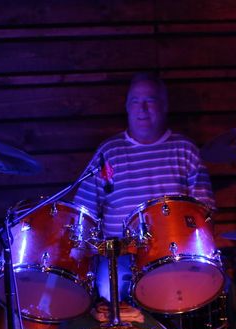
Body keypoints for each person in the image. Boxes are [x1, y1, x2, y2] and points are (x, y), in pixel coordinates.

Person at [73, 72, 215, 315]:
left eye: (150, 101)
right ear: (127, 107)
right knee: (109, 298)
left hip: (174, 256)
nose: (143, 109)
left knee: (203, 296)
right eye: (135, 101)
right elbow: (83, 212)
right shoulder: (109, 152)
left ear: (164, 106)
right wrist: (78, 255)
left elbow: (205, 212)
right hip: (119, 257)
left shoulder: (186, 150)